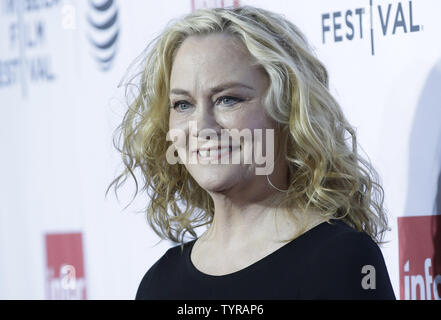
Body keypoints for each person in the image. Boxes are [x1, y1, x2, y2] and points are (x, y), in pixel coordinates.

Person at [107, 5, 396, 299]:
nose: (201, 127)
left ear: (288, 110)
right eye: (183, 104)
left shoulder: (343, 260)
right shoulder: (160, 283)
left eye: (227, 100)